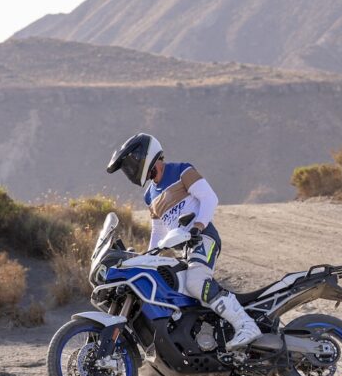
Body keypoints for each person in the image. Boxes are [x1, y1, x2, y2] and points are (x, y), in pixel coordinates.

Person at [106, 133, 261, 349]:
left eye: (132, 163)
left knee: (196, 282)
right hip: (183, 251)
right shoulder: (150, 196)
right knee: (177, 291)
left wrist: (197, 227)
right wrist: (148, 256)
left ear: (145, 156)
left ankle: (246, 324)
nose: (130, 170)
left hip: (204, 238)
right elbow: (158, 229)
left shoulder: (182, 171)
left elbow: (209, 198)